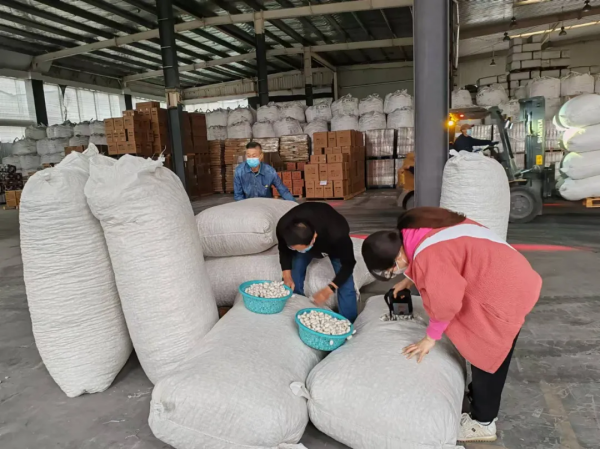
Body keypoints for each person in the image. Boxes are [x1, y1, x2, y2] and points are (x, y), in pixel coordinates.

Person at [361, 207, 541, 443]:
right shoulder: (415, 227)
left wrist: (430, 338)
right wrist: (409, 279)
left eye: (392, 270)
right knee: (482, 348)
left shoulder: (427, 257)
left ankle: (483, 423)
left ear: (398, 258)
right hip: (509, 269)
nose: (395, 273)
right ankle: (478, 398)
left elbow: (446, 302)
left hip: (504, 291)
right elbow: (443, 257)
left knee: (487, 354)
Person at [276, 202, 358, 321]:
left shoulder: (337, 233)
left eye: (303, 249)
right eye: (295, 248)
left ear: (314, 237)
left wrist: (330, 289)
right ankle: (297, 311)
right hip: (308, 237)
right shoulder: (284, 226)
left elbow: (349, 264)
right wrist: (286, 275)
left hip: (332, 244)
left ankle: (349, 322)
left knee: (346, 285)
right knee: (295, 274)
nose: (300, 251)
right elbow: (283, 250)